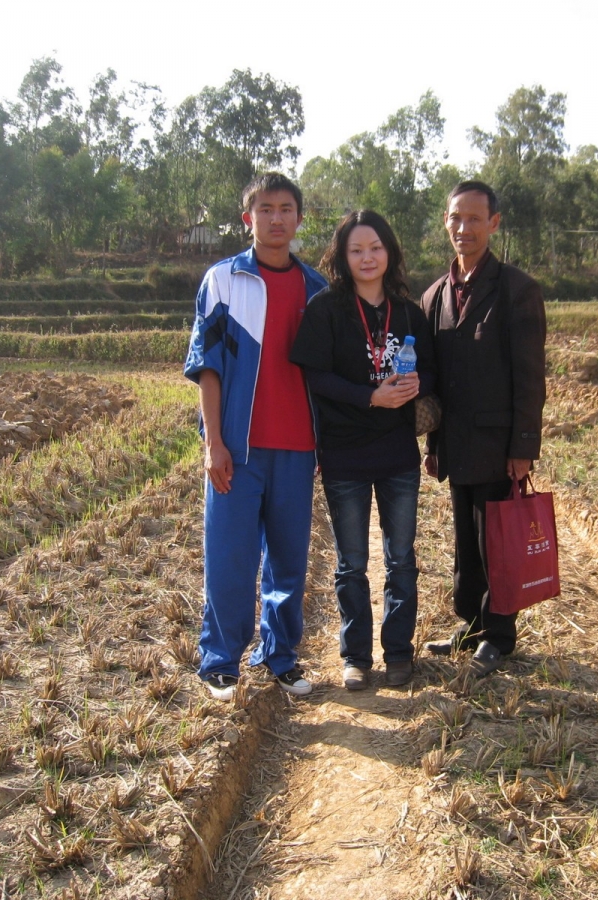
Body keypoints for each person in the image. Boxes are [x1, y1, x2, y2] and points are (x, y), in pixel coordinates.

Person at [183, 172, 328, 701]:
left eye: (286, 208)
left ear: (299, 218)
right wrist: (213, 442)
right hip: (238, 449)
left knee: (289, 560)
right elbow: (208, 366)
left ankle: (280, 655)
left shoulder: (318, 290)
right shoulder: (223, 280)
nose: (276, 218)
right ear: (248, 219)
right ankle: (220, 660)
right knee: (231, 556)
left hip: (297, 447)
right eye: (265, 209)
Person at [290, 210, 436, 690]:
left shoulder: (408, 311)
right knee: (351, 562)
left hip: (397, 453)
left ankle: (398, 652)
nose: (367, 257)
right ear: (343, 256)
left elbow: (434, 371)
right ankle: (355, 656)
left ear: (389, 251)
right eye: (356, 250)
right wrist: (370, 396)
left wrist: (415, 386)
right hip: (344, 454)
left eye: (375, 248)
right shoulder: (325, 309)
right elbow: (315, 376)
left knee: (401, 559)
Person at [420, 181, 547, 678]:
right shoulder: (435, 295)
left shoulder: (517, 290)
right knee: (466, 543)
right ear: (445, 221)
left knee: (497, 541)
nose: (464, 228)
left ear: (493, 223)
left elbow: (529, 378)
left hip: (498, 444)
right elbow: (433, 381)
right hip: (456, 444)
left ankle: (498, 635)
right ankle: (471, 625)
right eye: (456, 217)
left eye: (475, 219)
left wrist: (523, 446)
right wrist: (433, 443)